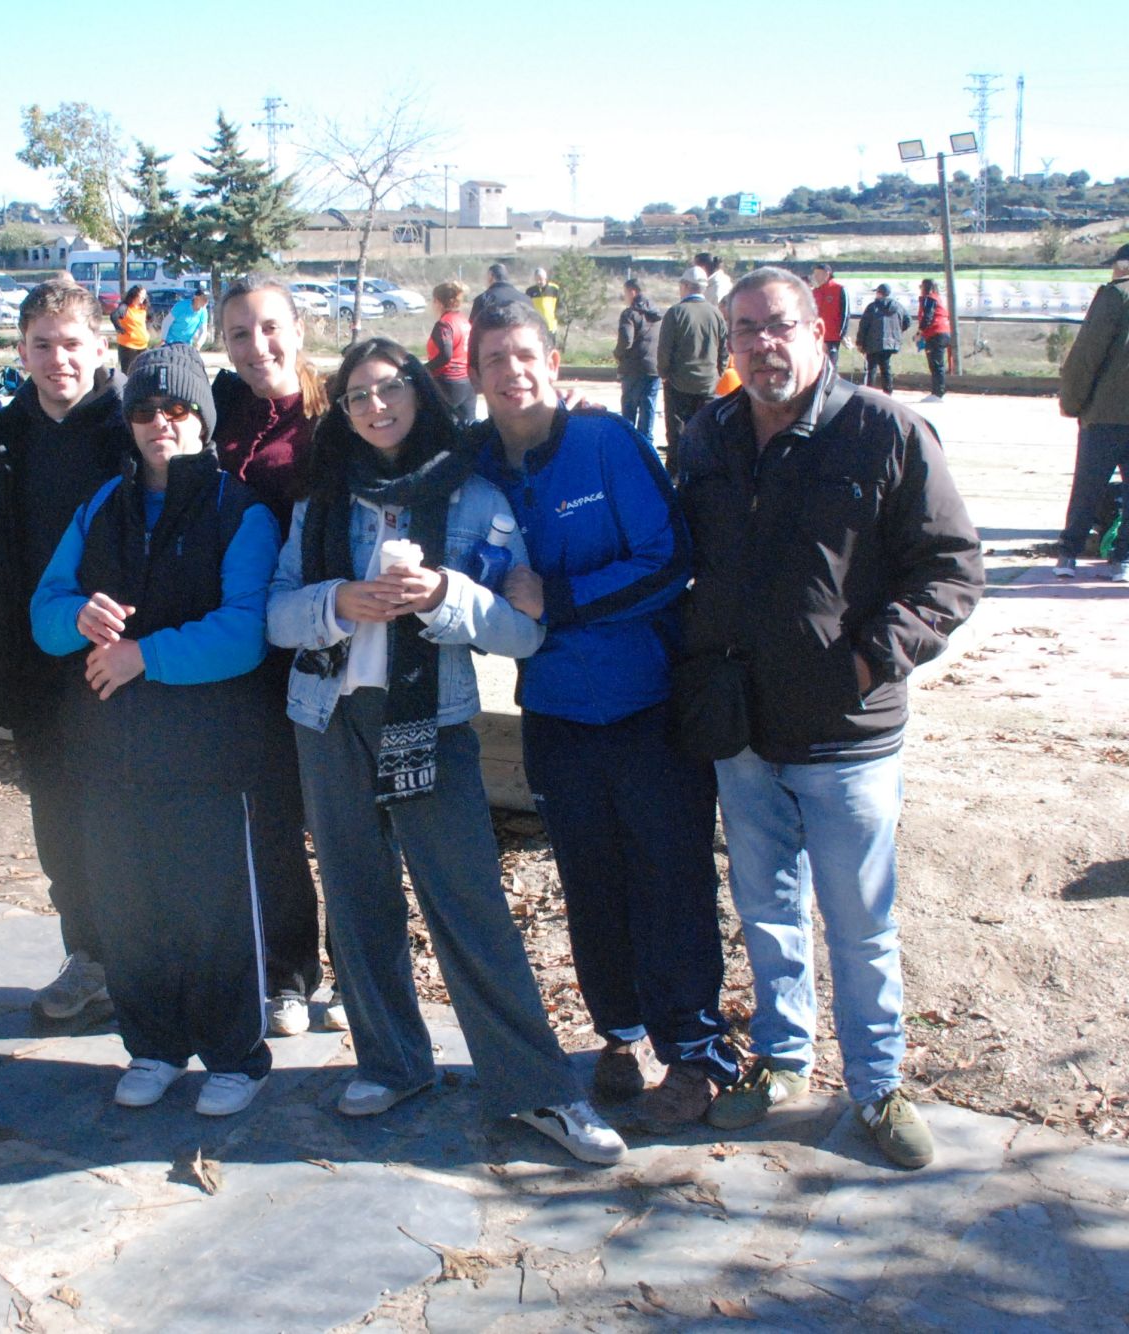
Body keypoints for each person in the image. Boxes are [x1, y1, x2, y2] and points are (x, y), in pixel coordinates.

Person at [266, 337, 625, 1164]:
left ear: (422, 394)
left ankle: (538, 1090)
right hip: (328, 720)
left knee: (467, 902)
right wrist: (339, 601)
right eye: (356, 396)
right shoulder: (320, 501)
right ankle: (393, 1062)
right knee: (357, 903)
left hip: (429, 719)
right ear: (342, 411)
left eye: (391, 389)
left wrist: (446, 597)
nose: (376, 407)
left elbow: (523, 632)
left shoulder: (475, 497)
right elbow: (276, 615)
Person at [677, 266, 983, 1169]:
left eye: (778, 327)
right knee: (767, 911)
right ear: (727, 344)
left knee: (859, 920)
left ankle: (878, 1085)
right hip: (742, 729)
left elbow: (953, 571)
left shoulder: (885, 431)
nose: (762, 345)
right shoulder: (710, 433)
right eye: (745, 331)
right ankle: (781, 1062)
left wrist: (863, 660)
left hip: (848, 736)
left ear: (819, 333)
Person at [470, 300, 736, 1122]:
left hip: (646, 705)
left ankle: (693, 1051)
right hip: (554, 713)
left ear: (553, 362)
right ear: (474, 375)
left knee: (671, 880)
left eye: (525, 354)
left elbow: (670, 560)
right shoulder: (472, 464)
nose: (512, 371)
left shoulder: (605, 442)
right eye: (494, 359)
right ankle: (617, 1033)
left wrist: (563, 599)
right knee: (589, 880)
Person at [30, 343, 280, 1116]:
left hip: (205, 753)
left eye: (176, 409)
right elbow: (44, 616)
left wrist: (147, 656)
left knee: (211, 908)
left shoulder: (242, 511)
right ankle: (153, 1045)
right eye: (144, 409)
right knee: (127, 903)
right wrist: (77, 615)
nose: (159, 423)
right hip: (107, 751)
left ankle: (237, 1054)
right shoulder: (99, 506)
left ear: (201, 420)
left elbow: (245, 631)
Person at [0, 280, 130, 1024]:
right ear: (20, 352)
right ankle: (90, 953)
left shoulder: (133, 428)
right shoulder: (1, 439)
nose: (57, 360)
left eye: (72, 343)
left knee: (127, 816)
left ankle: (145, 956)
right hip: (36, 664)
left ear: (101, 348)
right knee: (60, 821)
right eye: (42, 344)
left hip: (122, 659)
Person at [211, 275, 335, 1035]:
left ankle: (361, 966)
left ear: (298, 328)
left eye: (269, 328)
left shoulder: (336, 415)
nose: (257, 348)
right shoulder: (222, 410)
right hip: (245, 651)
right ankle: (289, 974)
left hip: (326, 640)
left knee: (346, 817)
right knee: (270, 821)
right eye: (238, 334)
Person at [1052, 244, 1129, 581]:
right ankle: (1122, 560)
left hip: (1106, 415)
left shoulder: (1115, 295)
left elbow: (1086, 357)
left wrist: (1072, 403)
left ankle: (1069, 555)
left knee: (1088, 485)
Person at [655, 268, 727, 470]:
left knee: (676, 431)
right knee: (704, 431)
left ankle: (676, 474)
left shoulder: (676, 312)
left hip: (679, 383)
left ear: (686, 286)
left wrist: (664, 374)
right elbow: (724, 350)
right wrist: (717, 375)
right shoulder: (716, 314)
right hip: (708, 385)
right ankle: (701, 471)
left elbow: (664, 349)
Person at [614, 277, 662, 439]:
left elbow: (626, 341)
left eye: (625, 293)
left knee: (629, 411)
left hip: (633, 368)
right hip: (654, 368)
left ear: (632, 292)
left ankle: (628, 446)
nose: (625, 297)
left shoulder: (629, 314)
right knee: (648, 409)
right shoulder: (657, 315)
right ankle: (646, 446)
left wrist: (618, 354)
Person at [423, 281, 476, 424]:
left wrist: (423, 370)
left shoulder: (444, 325)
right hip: (467, 381)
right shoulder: (464, 321)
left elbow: (445, 356)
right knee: (469, 426)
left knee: (439, 425)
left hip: (448, 382)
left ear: (438, 302)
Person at [856, 284, 911, 395]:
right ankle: (888, 392)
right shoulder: (898, 306)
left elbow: (864, 325)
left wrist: (860, 342)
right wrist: (896, 332)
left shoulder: (873, 307)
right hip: (890, 343)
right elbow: (908, 321)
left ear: (879, 293)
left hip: (873, 342)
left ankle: (869, 391)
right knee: (885, 367)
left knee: (871, 368)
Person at [916, 278, 952, 401]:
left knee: (936, 365)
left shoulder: (930, 299)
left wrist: (920, 332)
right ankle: (938, 392)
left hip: (936, 333)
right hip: (944, 332)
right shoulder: (938, 298)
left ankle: (937, 393)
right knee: (937, 364)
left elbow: (928, 316)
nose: (920, 289)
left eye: (921, 286)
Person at [810, 263, 849, 377]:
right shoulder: (815, 292)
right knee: (817, 365)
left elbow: (845, 313)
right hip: (815, 337)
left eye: (818, 274)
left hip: (832, 336)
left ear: (827, 274)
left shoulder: (839, 289)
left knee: (831, 365)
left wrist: (842, 334)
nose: (815, 277)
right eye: (814, 274)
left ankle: (830, 389)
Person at [113, 285, 150, 372]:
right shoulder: (125, 308)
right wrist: (120, 329)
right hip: (128, 346)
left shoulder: (143, 308)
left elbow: (150, 318)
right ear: (134, 295)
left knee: (141, 371)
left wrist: (146, 331)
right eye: (141, 295)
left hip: (142, 346)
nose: (143, 298)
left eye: (145, 296)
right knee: (128, 372)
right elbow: (114, 316)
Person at [525, 268, 561, 333]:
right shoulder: (530, 291)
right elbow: (526, 307)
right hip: (536, 327)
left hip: (551, 326)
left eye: (540, 279)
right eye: (537, 280)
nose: (539, 282)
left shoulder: (554, 289)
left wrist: (557, 317)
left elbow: (560, 305)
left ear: (545, 278)